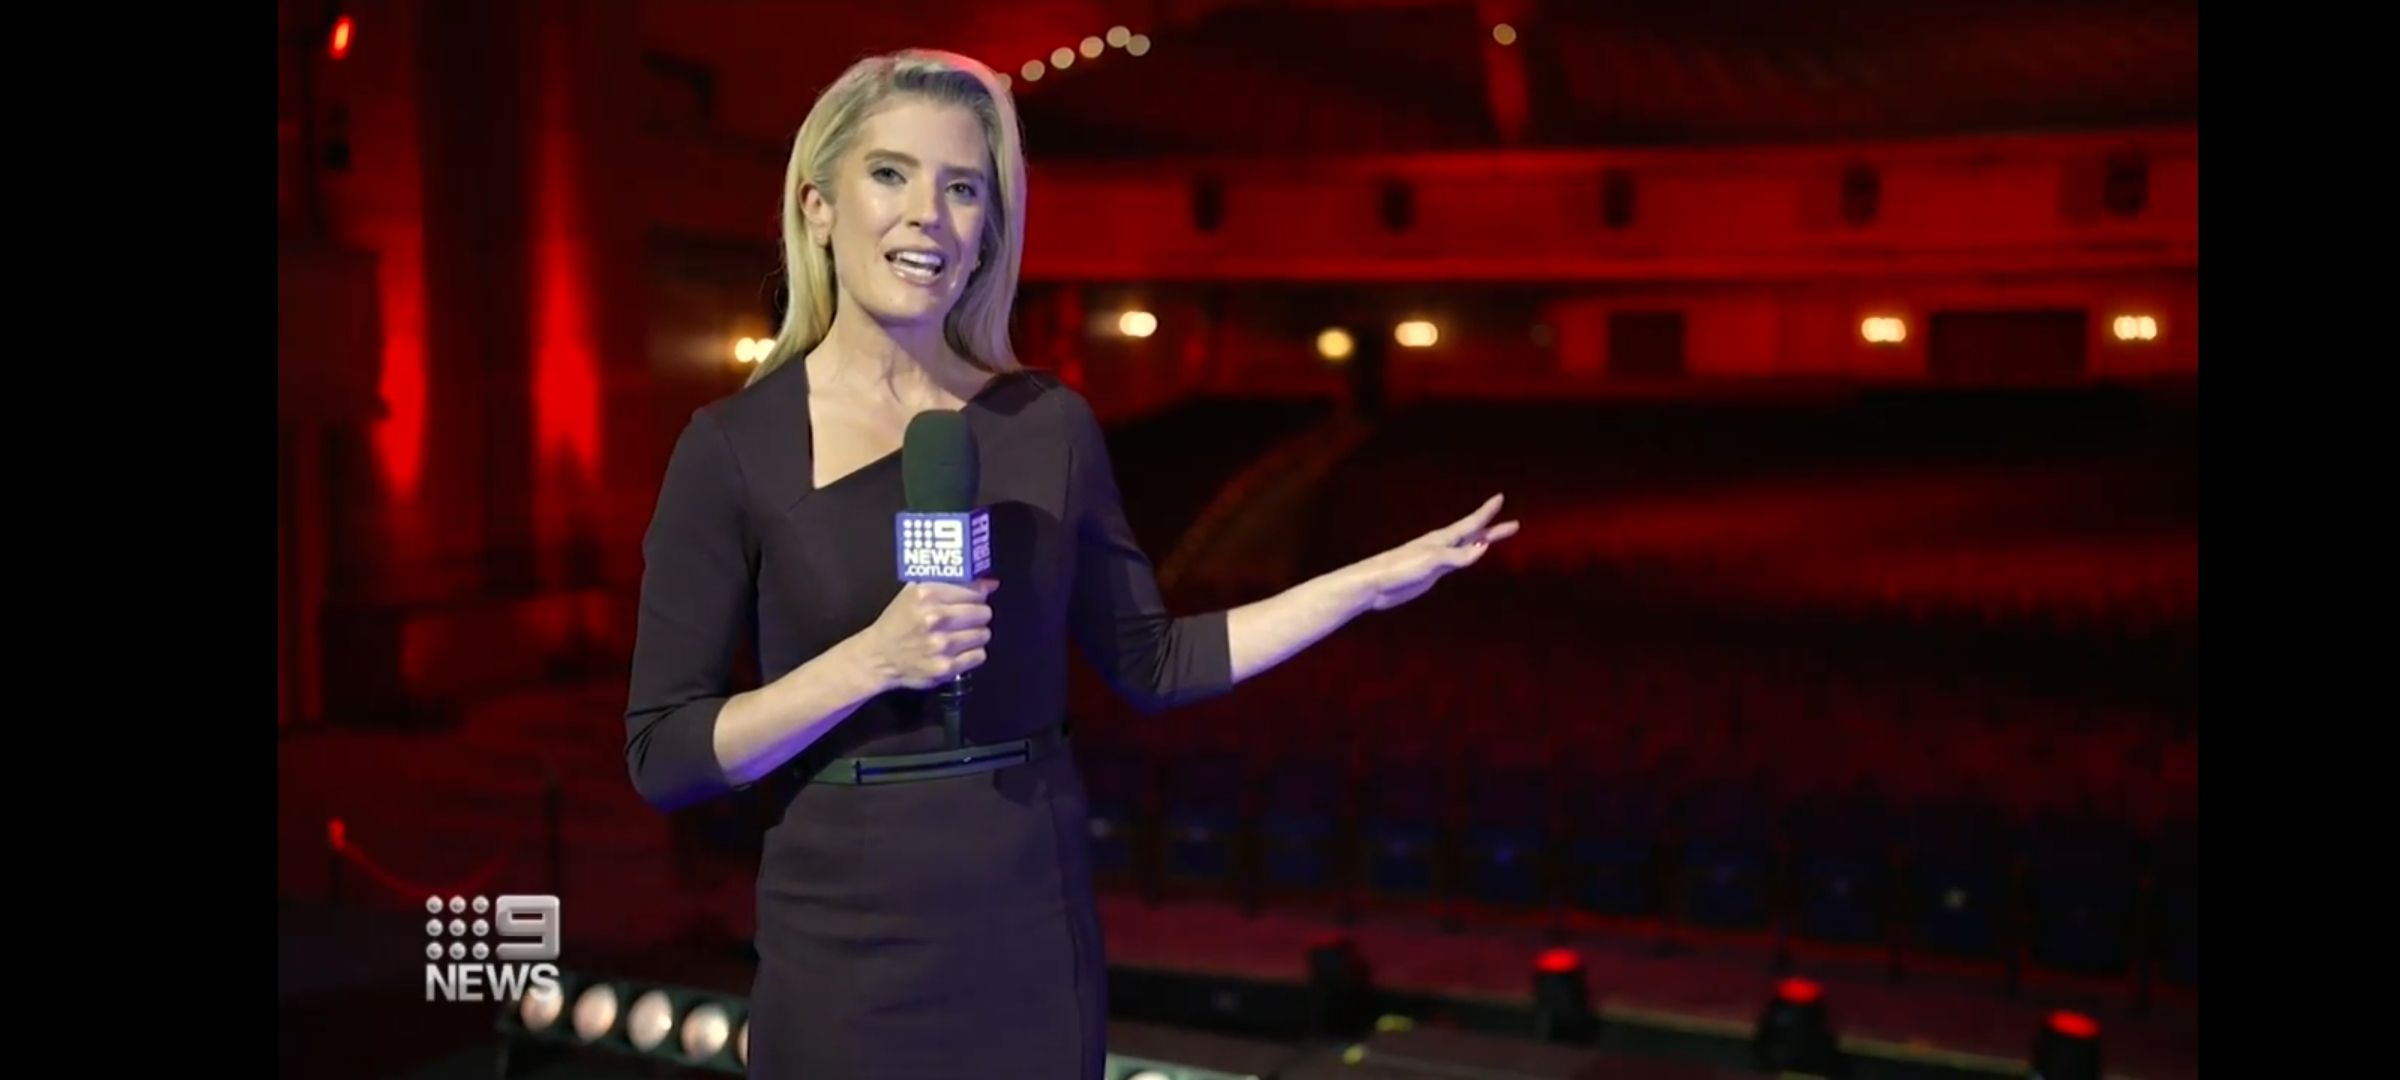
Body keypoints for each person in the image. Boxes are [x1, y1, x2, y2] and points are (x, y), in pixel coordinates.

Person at [622, 48, 1519, 1079]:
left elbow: (1154, 662)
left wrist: (1360, 587)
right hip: (843, 934)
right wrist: (870, 662)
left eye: (963, 189)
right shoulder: (734, 446)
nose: (928, 215)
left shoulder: (1048, 424)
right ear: (818, 206)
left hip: (1029, 922)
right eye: (891, 175)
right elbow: (665, 755)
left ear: (987, 231)